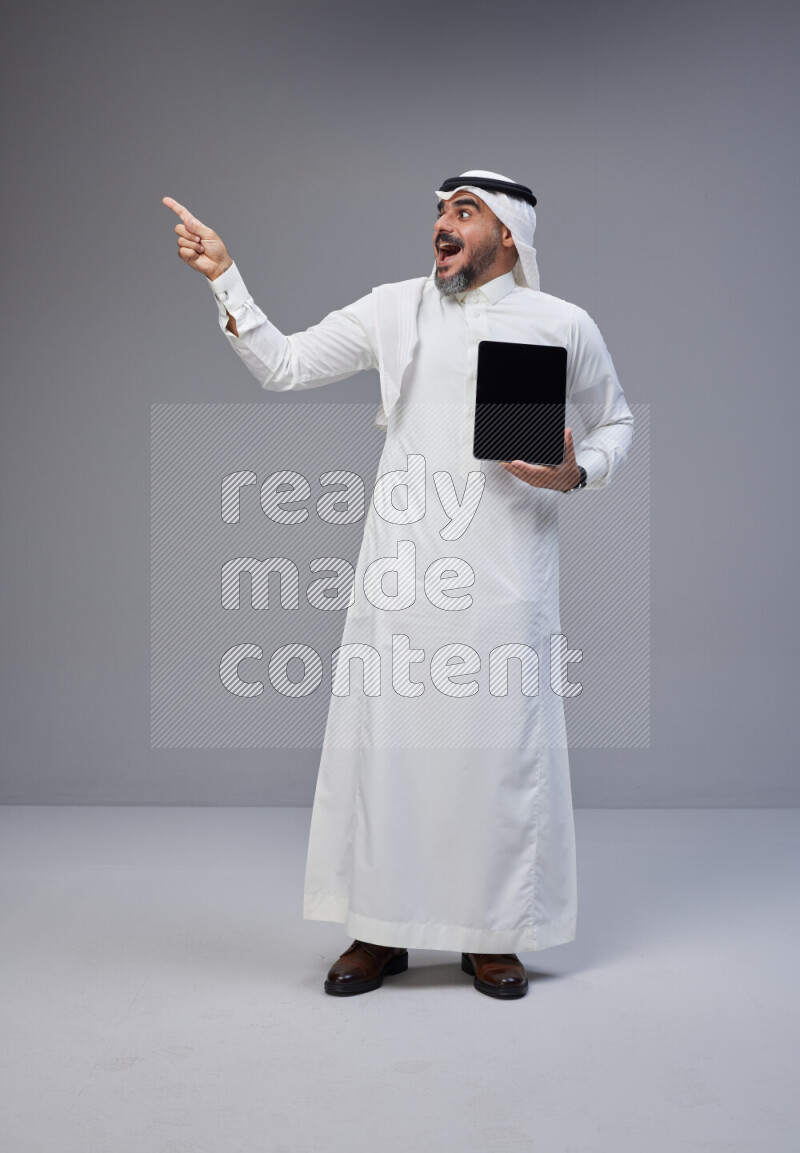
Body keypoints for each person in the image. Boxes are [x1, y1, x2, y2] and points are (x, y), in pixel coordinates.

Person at [162, 170, 634, 1000]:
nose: (442, 228)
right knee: (389, 754)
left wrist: (575, 472)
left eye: (464, 214)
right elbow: (285, 363)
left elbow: (617, 420)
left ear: (509, 237)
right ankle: (380, 930)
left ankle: (491, 937)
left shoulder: (561, 322)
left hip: (506, 577)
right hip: (403, 572)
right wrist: (224, 276)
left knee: (495, 757)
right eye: (441, 214)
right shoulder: (392, 308)